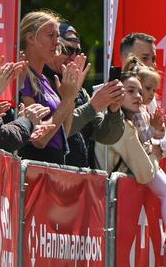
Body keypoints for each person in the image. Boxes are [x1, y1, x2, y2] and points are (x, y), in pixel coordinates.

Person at [98, 58, 166, 253]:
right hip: (116, 193)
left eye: (144, 90)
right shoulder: (121, 123)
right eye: (132, 91)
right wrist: (159, 141)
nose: (141, 96)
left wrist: (161, 132)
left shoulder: (143, 113)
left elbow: (153, 141)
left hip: (137, 174)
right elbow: (146, 153)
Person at [45, 23, 125, 168]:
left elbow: (107, 136)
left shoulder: (81, 91)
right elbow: (55, 131)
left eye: (78, 51)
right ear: (53, 47)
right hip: (49, 175)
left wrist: (114, 110)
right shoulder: (41, 83)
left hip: (80, 181)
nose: (74, 57)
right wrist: (93, 106)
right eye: (68, 49)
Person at [17, 11, 88, 164]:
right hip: (33, 172)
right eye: (51, 36)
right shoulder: (23, 76)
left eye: (57, 36)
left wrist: (71, 96)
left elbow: (64, 133)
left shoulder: (44, 80)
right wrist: (66, 100)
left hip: (52, 170)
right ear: (30, 38)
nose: (57, 43)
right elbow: (40, 139)